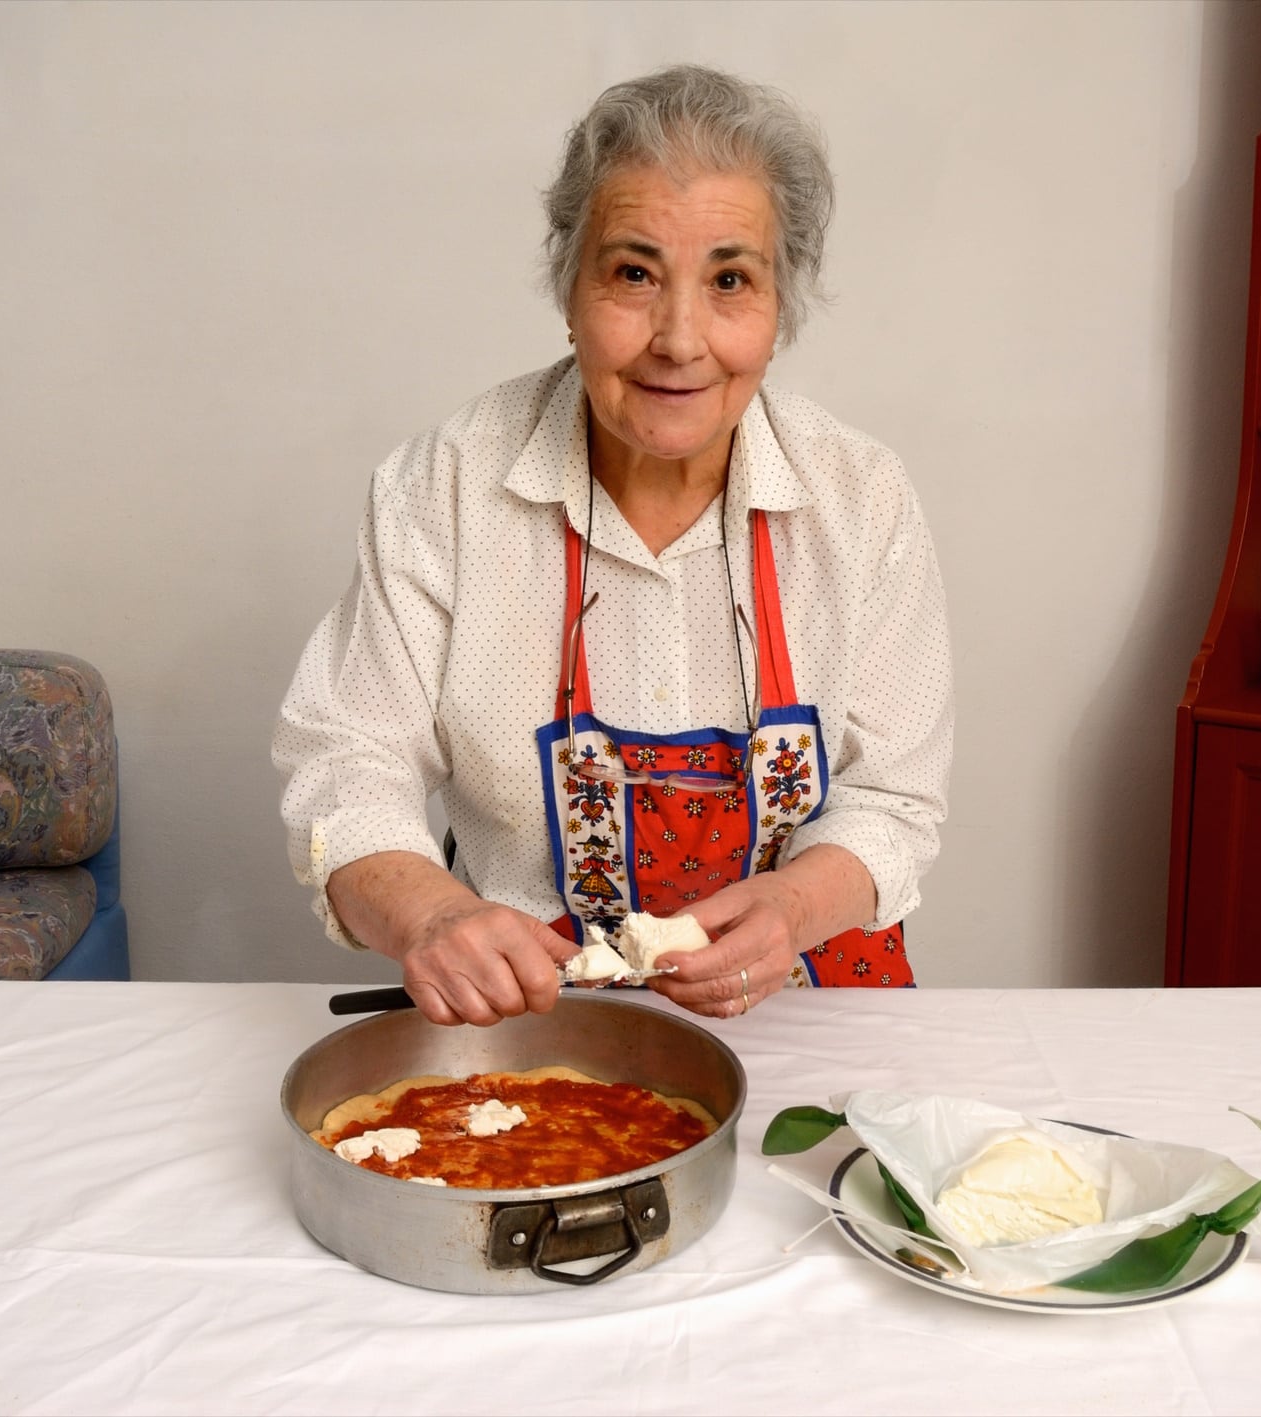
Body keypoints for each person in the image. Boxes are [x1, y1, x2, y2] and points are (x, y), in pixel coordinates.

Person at [273, 64, 951, 1027]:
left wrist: (794, 907)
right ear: (570, 287)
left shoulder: (861, 499)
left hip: (806, 1005)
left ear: (781, 308)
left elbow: (896, 799)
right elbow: (347, 758)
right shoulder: (446, 486)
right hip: (538, 1015)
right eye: (634, 274)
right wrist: (434, 916)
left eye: (730, 280)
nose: (679, 338)